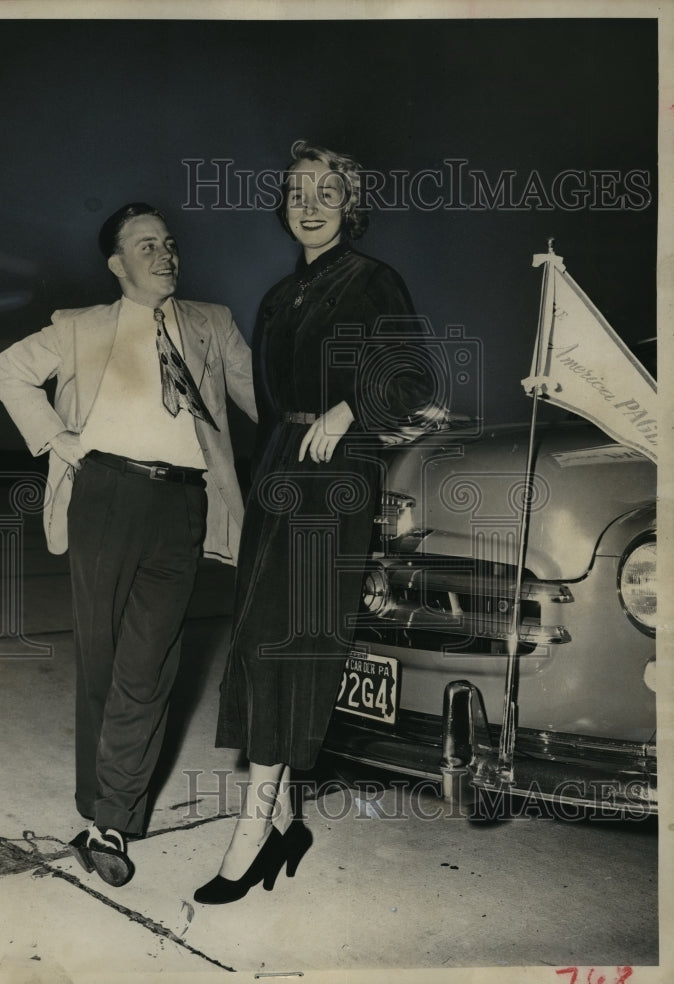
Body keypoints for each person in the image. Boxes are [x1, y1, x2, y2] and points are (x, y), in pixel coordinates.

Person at [194, 141, 438, 904]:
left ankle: (252, 831)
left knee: (288, 644)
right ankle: (287, 817)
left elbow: (413, 376)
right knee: (259, 640)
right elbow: (266, 404)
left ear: (349, 205)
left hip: (332, 483)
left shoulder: (371, 280)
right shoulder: (277, 297)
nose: (309, 202)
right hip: (279, 473)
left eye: (326, 191)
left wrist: (349, 406)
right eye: (298, 189)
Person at [0, 203, 257, 887]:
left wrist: (342, 408)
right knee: (103, 661)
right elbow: (6, 371)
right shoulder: (81, 327)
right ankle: (96, 799)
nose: (165, 255)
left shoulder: (212, 322)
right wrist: (58, 439)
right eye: (146, 245)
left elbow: (268, 399)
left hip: (184, 504)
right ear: (117, 264)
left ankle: (110, 819)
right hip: (105, 495)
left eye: (169, 243)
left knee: (151, 665)